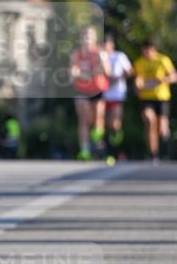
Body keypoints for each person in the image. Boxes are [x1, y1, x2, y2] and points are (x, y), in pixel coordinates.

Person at [69, 26, 110, 160]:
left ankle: (98, 143)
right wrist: (76, 74)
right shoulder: (77, 54)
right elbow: (73, 73)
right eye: (84, 35)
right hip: (82, 90)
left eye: (89, 35)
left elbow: (107, 72)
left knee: (97, 117)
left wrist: (102, 61)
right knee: (83, 119)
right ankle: (85, 150)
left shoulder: (99, 52)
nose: (87, 38)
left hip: (97, 89)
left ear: (95, 38)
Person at [133, 39, 176, 163]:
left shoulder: (163, 60)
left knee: (161, 129)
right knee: (149, 121)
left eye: (149, 50)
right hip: (146, 98)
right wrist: (137, 85)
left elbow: (174, 76)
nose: (147, 53)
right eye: (145, 50)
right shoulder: (139, 62)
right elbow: (136, 81)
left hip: (162, 98)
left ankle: (164, 142)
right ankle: (153, 153)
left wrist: (164, 80)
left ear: (154, 50)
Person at [101, 34, 133, 164]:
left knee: (115, 123)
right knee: (107, 124)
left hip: (117, 94)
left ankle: (116, 143)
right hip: (104, 95)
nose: (105, 47)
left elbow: (130, 71)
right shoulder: (100, 57)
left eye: (106, 44)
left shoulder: (120, 56)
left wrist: (119, 77)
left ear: (111, 45)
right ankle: (110, 151)